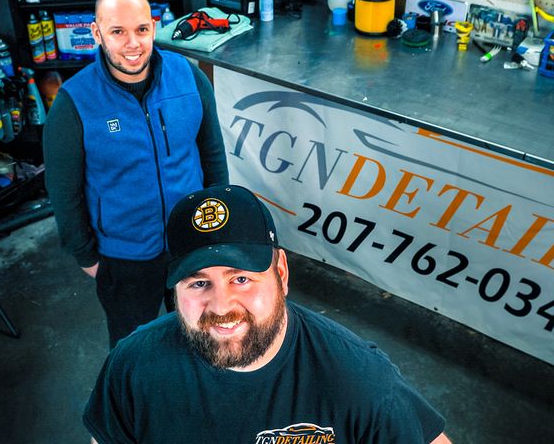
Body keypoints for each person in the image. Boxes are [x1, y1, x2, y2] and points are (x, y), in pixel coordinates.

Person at [84, 185, 452, 444]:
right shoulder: (132, 366)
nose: (221, 306)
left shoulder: (358, 379)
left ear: (282, 273)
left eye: (241, 278)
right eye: (198, 284)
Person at [43, 0, 228, 348]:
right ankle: (138, 403)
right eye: (117, 32)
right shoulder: (73, 104)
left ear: (154, 27)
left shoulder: (188, 78)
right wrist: (87, 256)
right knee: (133, 350)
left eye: (142, 29)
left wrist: (214, 227)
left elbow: (213, 156)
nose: (133, 44)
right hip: (124, 259)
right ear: (97, 33)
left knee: (202, 338)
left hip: (190, 245)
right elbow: (64, 190)